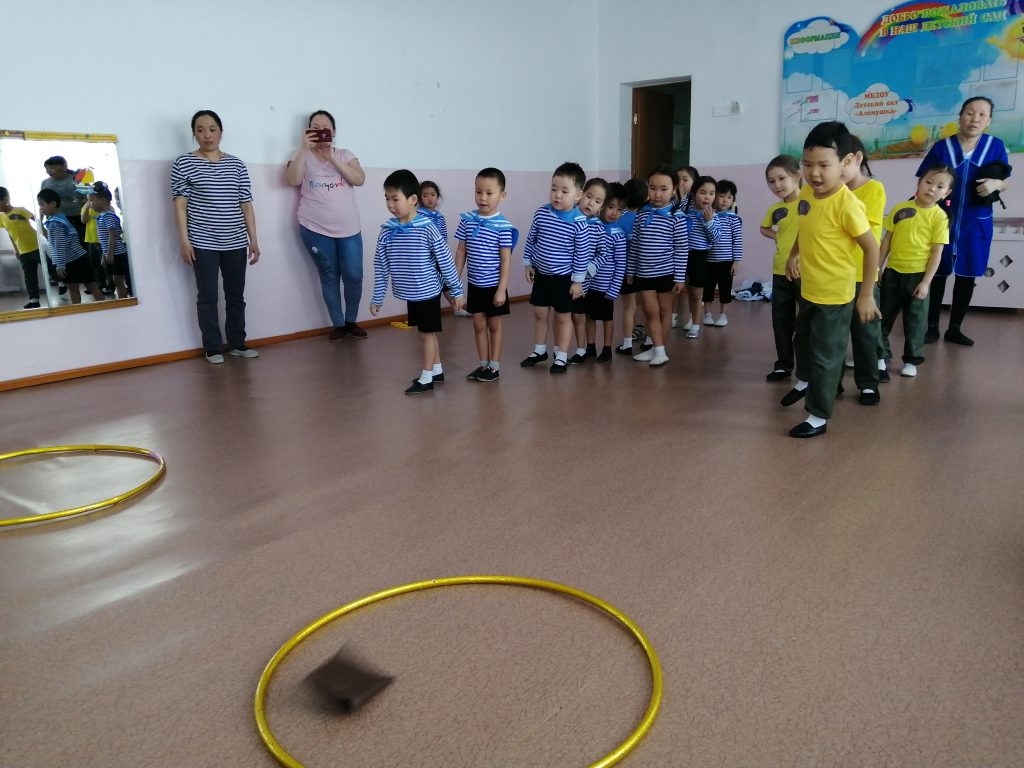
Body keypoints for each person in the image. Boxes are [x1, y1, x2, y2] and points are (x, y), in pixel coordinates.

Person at [781, 121, 880, 438]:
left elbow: (871, 248)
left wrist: (866, 295)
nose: (814, 173)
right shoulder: (808, 193)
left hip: (836, 295)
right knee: (801, 342)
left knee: (826, 355)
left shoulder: (848, 205)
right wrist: (794, 254)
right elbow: (805, 226)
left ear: (846, 163)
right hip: (809, 287)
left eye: (824, 165)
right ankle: (806, 381)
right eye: (807, 164)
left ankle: (818, 415)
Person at [918, 96, 1010, 346]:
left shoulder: (995, 145)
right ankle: (932, 326)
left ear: (988, 121)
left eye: (982, 114)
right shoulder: (942, 147)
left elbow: (1005, 181)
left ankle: (955, 328)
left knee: (968, 274)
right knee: (937, 271)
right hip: (941, 218)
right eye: (970, 112)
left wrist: (996, 183)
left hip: (976, 220)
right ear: (960, 116)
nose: (975, 119)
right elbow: (924, 179)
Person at [172, 109, 261, 365]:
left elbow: (246, 204)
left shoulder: (236, 164)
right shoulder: (183, 163)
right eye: (200, 130)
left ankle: (237, 343)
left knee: (236, 296)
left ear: (221, 131)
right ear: (194, 134)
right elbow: (180, 205)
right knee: (208, 297)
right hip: (202, 242)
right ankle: (212, 347)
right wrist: (185, 241)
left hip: (236, 241)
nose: (207, 135)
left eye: (212, 129)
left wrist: (253, 239)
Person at [369, 169, 465, 394]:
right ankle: (437, 370)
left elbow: (445, 260)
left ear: (413, 200)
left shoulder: (427, 228)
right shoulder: (388, 231)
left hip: (428, 290)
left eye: (395, 199)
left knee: (426, 334)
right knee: (427, 332)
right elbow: (381, 266)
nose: (390, 204)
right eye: (387, 198)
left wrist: (456, 290)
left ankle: (426, 377)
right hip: (411, 292)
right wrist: (377, 297)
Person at [286, 109, 367, 341]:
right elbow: (292, 180)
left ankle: (351, 321)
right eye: (315, 128)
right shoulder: (301, 155)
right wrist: (304, 149)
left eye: (326, 128)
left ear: (334, 131)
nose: (321, 132)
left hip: (349, 229)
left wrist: (332, 157)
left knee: (354, 275)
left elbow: (359, 179)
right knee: (329, 275)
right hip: (314, 228)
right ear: (308, 131)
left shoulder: (345, 154)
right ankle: (338, 325)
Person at [878, 165, 954, 378]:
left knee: (915, 322)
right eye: (928, 182)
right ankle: (880, 357)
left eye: (940, 186)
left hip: (918, 276)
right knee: (882, 317)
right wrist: (877, 267)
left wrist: (926, 282)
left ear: (946, 193)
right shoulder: (900, 208)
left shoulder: (940, 217)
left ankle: (911, 360)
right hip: (893, 273)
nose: (932, 188)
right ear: (918, 183)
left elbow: (937, 253)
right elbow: (886, 241)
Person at [520, 161, 591, 374]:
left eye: (564, 191)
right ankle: (540, 351)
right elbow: (531, 239)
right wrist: (528, 263)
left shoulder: (580, 222)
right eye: (553, 189)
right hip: (542, 275)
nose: (557, 195)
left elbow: (582, 254)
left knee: (563, 317)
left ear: (578, 195)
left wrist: (578, 282)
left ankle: (561, 356)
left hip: (565, 279)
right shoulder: (542, 213)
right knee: (540, 313)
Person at [454, 168, 515, 382]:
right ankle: (483, 365)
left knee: (494, 326)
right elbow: (461, 251)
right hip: (475, 285)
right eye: (478, 192)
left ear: (502, 195)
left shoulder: (503, 226)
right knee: (478, 325)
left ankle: (494, 367)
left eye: (489, 193)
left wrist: (501, 290)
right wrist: (455, 283)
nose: (483, 198)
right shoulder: (467, 220)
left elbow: (506, 259)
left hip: (494, 286)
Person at [626, 165, 688, 367]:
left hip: (666, 273)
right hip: (644, 273)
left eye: (663, 189)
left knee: (665, 311)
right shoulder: (642, 214)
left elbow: (681, 249)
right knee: (650, 311)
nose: (657, 194)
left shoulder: (677, 217)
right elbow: (635, 244)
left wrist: (679, 277)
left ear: (674, 189)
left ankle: (659, 350)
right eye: (653, 188)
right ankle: (657, 349)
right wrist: (630, 269)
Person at [844, 136, 887, 404]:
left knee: (865, 333)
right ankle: (831, 382)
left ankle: (869, 383)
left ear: (857, 158)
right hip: (836, 276)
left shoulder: (873, 189)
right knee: (833, 335)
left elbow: (862, 233)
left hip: (863, 275)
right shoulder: (830, 193)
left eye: (841, 163)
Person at [760, 155, 802, 381]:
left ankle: (809, 367)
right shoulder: (776, 209)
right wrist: (776, 236)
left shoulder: (810, 202)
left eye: (781, 178)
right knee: (781, 320)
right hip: (779, 271)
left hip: (804, 272)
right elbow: (764, 228)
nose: (776, 185)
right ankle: (784, 365)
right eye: (771, 181)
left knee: (806, 322)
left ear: (797, 175)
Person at [37, 188, 104, 304]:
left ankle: (80, 311)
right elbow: (51, 239)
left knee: (74, 289)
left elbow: (59, 245)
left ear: (53, 203)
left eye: (42, 204)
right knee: (91, 286)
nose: (40, 208)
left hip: (71, 261)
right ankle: (103, 306)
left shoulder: (55, 223)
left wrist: (60, 265)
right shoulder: (60, 218)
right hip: (79, 258)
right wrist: (41, 220)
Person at [584, 182, 627, 361]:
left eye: (619, 209)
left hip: (606, 287)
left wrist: (614, 289)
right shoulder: (591, 226)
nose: (614, 212)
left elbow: (621, 265)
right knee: (589, 316)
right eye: (611, 207)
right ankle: (590, 347)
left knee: (607, 318)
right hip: (588, 284)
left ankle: (607, 349)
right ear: (602, 205)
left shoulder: (619, 234)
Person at [569, 177, 608, 364]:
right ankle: (561, 351)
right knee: (563, 315)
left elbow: (603, 254)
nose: (591, 203)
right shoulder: (568, 218)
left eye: (597, 201)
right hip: (563, 276)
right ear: (580, 195)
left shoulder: (598, 227)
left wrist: (587, 271)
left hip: (583, 281)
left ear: (601, 207)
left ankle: (581, 349)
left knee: (579, 315)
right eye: (589, 197)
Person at [681, 175, 720, 338]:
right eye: (703, 192)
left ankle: (695, 326)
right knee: (686, 291)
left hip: (700, 255)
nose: (707, 197)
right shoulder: (685, 210)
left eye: (711, 193)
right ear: (694, 193)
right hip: (682, 254)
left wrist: (708, 221)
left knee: (697, 293)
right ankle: (690, 319)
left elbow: (716, 238)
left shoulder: (712, 214)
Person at [614, 178, 648, 355]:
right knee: (648, 305)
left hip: (624, 270)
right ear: (646, 198)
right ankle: (649, 340)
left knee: (628, 307)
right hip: (643, 269)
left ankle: (627, 343)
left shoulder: (619, 219)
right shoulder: (645, 218)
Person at [703, 179, 742, 327]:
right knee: (708, 288)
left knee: (725, 289)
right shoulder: (709, 216)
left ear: (733, 200)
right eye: (721, 196)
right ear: (714, 197)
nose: (725, 200)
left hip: (727, 261)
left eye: (729, 197)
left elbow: (737, 242)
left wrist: (736, 262)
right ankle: (707, 314)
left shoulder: (734, 219)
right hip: (709, 260)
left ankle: (723, 315)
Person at [0, 187, 43, 309]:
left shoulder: (20, 210)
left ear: (6, 199)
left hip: (36, 246)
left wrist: (45, 237)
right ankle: (34, 300)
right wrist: (16, 249)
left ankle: (61, 283)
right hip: (23, 250)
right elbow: (10, 233)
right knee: (29, 276)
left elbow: (37, 221)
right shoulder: (2, 217)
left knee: (50, 267)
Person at [90, 182, 131, 299]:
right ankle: (122, 300)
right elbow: (104, 241)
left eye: (92, 200)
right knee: (116, 280)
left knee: (118, 280)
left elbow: (112, 235)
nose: (90, 204)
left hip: (117, 254)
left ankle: (124, 301)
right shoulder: (102, 216)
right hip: (112, 253)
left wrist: (110, 254)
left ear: (103, 200)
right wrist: (104, 255)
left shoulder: (108, 216)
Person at [672, 164, 699, 329]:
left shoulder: (697, 201)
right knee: (676, 285)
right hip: (677, 251)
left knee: (693, 288)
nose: (681, 183)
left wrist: (682, 201)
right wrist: (680, 200)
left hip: (694, 250)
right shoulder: (672, 200)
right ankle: (673, 316)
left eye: (685, 179)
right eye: (678, 180)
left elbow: (682, 216)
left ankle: (691, 318)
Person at [40, 156, 87, 245]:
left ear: (64, 166)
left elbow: (89, 199)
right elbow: (42, 204)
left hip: (78, 219)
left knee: (82, 246)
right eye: (47, 169)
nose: (49, 171)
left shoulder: (78, 179)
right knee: (61, 247)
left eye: (52, 168)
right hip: (55, 221)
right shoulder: (45, 183)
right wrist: (40, 223)